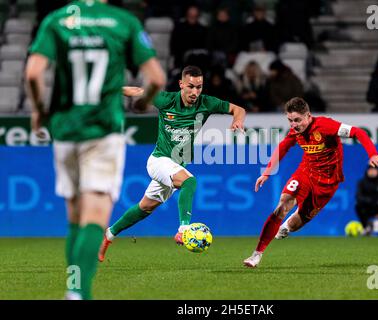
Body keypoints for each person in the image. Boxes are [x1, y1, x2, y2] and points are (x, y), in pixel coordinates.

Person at [25, 0, 166, 299]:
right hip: (103, 130)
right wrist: (142, 103)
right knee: (95, 215)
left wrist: (38, 110)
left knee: (74, 217)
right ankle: (77, 292)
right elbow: (156, 78)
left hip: (65, 130)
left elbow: (34, 74)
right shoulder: (122, 21)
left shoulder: (56, 19)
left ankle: (74, 287)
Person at [98, 65, 246, 262]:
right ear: (181, 84)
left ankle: (108, 235)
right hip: (158, 160)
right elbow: (138, 91)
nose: (195, 92)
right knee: (190, 182)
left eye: (199, 87)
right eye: (191, 87)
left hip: (174, 166)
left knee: (145, 208)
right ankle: (184, 229)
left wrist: (237, 120)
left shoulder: (207, 103)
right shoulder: (166, 100)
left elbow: (238, 109)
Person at [243, 97, 378, 268]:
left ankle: (286, 227)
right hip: (305, 173)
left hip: (327, 182)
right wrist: (266, 173)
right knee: (283, 204)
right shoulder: (295, 131)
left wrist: (373, 154)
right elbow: (283, 147)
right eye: (290, 120)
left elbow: (358, 132)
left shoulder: (326, 126)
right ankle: (256, 255)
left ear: (308, 116)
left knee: (296, 223)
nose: (293, 125)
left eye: (297, 120)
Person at [355, 166, 378, 236]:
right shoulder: (362, 182)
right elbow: (358, 197)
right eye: (370, 170)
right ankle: (366, 227)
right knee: (358, 206)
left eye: (374, 170)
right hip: (368, 207)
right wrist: (369, 201)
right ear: (367, 171)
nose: (372, 172)